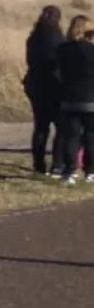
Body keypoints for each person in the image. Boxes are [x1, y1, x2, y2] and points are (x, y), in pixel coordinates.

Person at [23, 5, 66, 175]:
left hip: (34, 83)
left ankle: (38, 163)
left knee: (41, 126)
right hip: (53, 85)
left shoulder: (33, 37)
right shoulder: (57, 37)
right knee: (61, 127)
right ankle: (57, 162)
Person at [54, 14, 94, 184]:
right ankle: (90, 171)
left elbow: (58, 73)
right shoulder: (91, 50)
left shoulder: (62, 49)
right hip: (90, 98)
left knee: (71, 136)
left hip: (69, 98)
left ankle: (69, 171)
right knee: (91, 135)